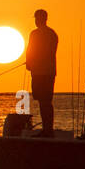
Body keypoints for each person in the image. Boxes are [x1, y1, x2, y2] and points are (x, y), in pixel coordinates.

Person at [25, 9, 58, 137]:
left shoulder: (35, 34)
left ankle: (47, 130)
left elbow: (31, 50)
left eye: (36, 18)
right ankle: (48, 128)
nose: (35, 21)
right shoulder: (53, 34)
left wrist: (30, 63)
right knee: (46, 101)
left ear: (41, 19)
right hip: (49, 72)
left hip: (40, 73)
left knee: (43, 101)